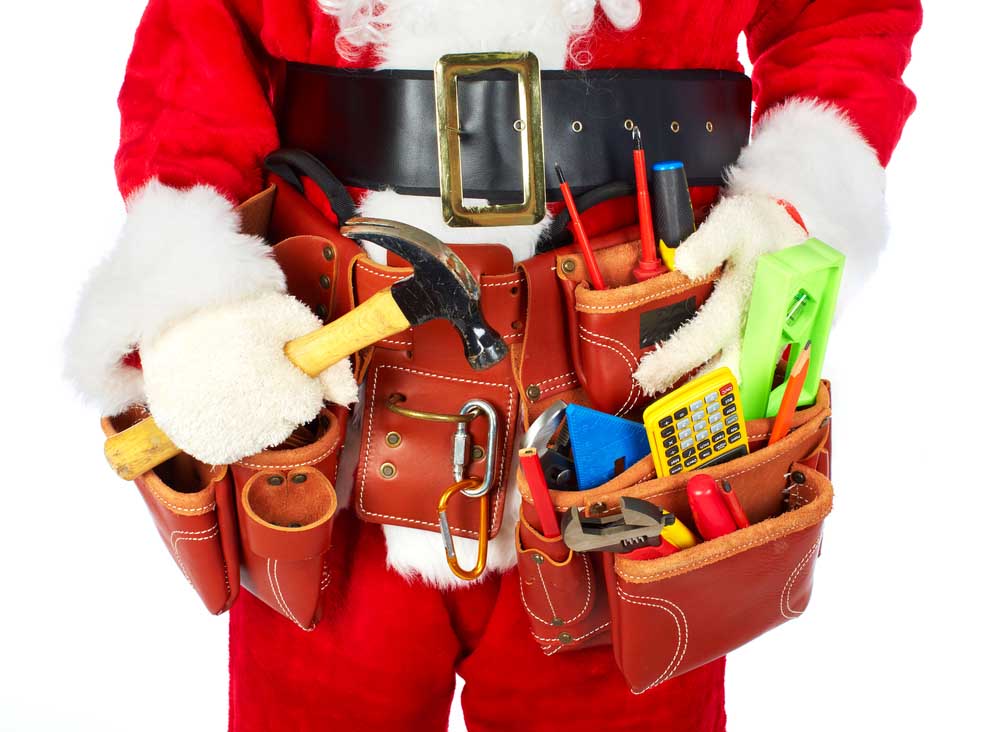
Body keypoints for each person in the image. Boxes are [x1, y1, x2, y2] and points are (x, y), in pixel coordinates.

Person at [66, 1, 920, 729]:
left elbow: (844, 19)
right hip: (326, 453)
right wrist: (197, 297)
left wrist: (792, 209)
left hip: (632, 445)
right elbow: (196, 47)